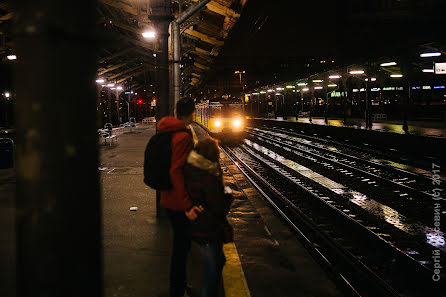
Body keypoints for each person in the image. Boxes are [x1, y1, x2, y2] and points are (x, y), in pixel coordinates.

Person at [157, 97, 202, 297]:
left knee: (181, 246)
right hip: (178, 201)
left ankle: (180, 286)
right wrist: (187, 205)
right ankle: (177, 290)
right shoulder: (182, 136)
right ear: (191, 113)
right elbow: (177, 171)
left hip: (168, 197)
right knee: (181, 248)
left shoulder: (167, 130)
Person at [184, 137, 233, 297]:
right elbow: (219, 208)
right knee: (214, 266)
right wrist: (228, 195)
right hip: (209, 228)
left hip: (199, 225)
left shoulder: (191, 168)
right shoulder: (208, 176)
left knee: (214, 262)